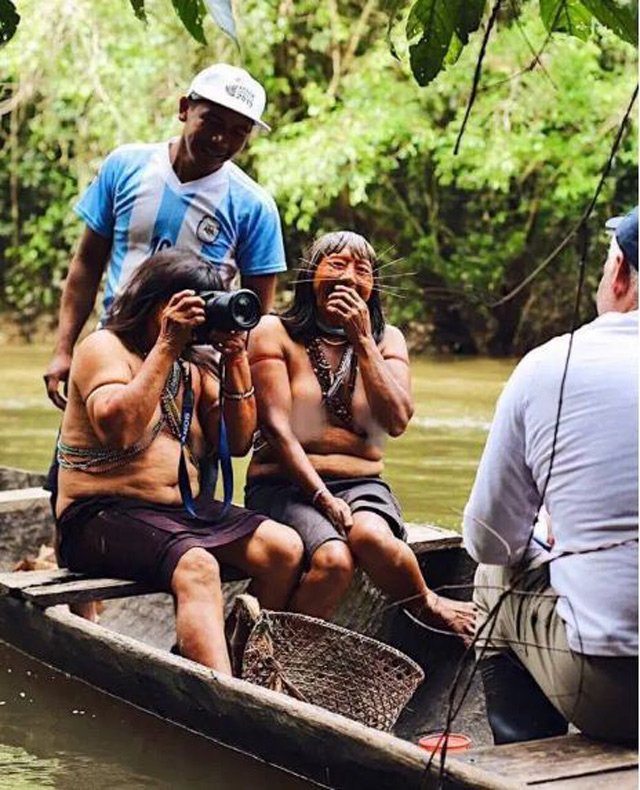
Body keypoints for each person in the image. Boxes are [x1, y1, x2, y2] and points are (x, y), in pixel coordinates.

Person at [55, 249, 303, 674]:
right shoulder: (104, 347)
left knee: (284, 548)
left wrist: (236, 360)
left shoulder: (193, 363)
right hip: (97, 515)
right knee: (198, 566)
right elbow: (120, 428)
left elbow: (240, 441)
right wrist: (168, 344)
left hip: (173, 513)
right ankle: (221, 697)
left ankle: (228, 664)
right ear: (154, 304)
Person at [463, 207, 639, 745]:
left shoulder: (551, 365)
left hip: (617, 699)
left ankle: (527, 759)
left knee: (493, 578)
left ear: (620, 274)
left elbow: (489, 539)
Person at [245, 230, 475, 639]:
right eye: (336, 265)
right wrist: (322, 497)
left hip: (363, 484)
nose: (349, 278)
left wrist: (363, 341)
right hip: (285, 485)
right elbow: (277, 430)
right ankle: (272, 661)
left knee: (371, 535)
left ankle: (426, 602)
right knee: (334, 560)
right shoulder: (273, 331)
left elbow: (398, 420)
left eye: (362, 270)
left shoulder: (388, 340)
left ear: (372, 287)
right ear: (310, 276)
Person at [44, 63, 287, 410]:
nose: (222, 139)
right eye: (213, 122)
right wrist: (63, 350)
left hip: (195, 371)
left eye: (239, 132)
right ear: (184, 108)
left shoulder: (254, 206)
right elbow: (86, 263)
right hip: (112, 352)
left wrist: (237, 387)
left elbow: (257, 313)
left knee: (181, 464)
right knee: (82, 458)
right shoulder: (125, 166)